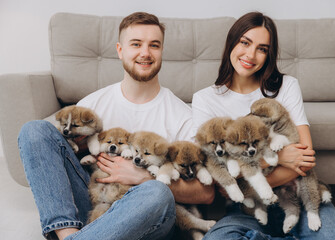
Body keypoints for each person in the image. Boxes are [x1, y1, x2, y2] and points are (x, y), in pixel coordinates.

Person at [18, 12, 214, 240]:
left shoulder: (182, 116)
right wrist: (79, 148)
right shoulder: (93, 105)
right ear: (120, 50)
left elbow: (207, 193)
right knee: (34, 130)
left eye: (154, 45)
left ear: (162, 51)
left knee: (157, 192)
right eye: (136, 44)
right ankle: (68, 234)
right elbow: (58, 158)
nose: (145, 53)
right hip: (94, 202)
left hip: (145, 216)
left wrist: (143, 178)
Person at [192, 12, 335, 240]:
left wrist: (246, 175)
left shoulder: (287, 86)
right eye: (245, 43)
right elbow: (221, 184)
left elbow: (304, 160)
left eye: (262, 48)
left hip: (299, 197)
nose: (250, 55)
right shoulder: (205, 99)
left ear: (268, 54)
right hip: (247, 208)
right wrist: (278, 159)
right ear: (232, 43)